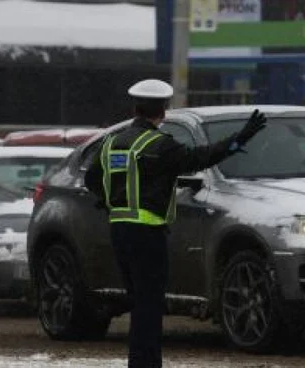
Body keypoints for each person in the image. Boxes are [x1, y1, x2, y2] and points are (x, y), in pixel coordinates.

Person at [85, 79, 267, 368]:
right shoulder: (160, 145)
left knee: (138, 302)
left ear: (136, 108)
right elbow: (201, 158)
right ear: (164, 111)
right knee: (150, 305)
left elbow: (91, 179)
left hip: (119, 231)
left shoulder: (111, 143)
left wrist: (111, 200)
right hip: (148, 234)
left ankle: (139, 362)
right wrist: (239, 139)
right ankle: (147, 364)